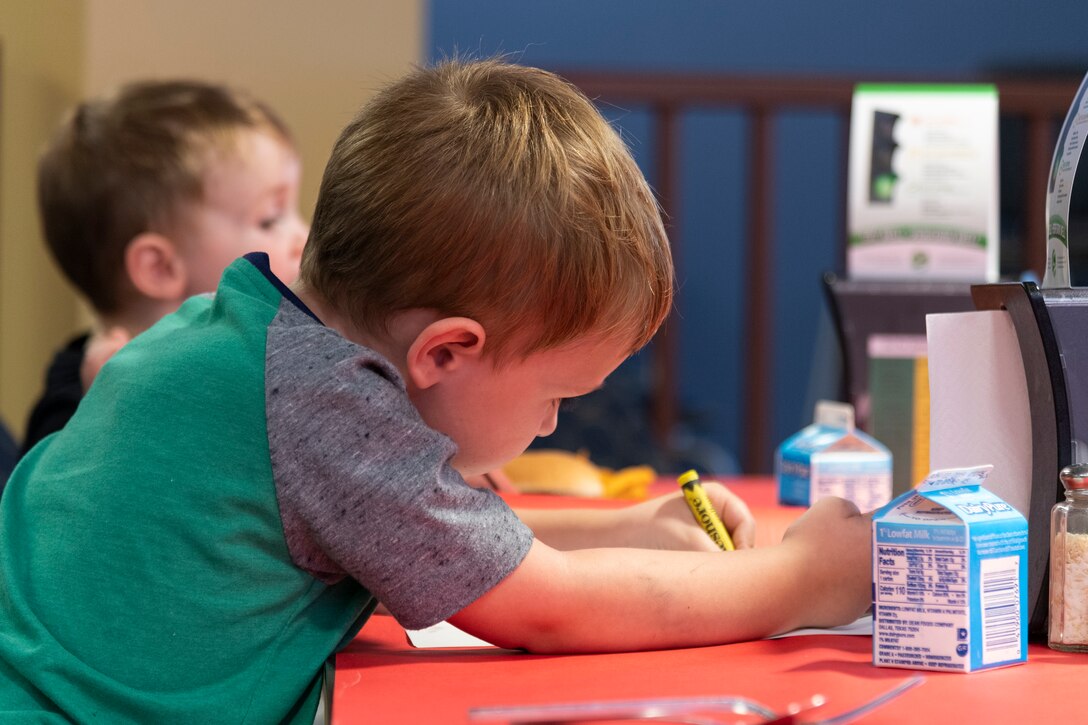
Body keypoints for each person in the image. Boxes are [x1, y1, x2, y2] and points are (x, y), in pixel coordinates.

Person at [0, 59, 871, 723]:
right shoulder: (325, 406)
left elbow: (385, 528)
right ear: (447, 351)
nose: (552, 421)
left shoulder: (240, 324)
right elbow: (551, 611)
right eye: (556, 395)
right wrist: (803, 575)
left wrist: (625, 526)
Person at [18, 79, 308, 456]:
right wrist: (106, 414)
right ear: (159, 268)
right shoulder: (75, 405)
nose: (304, 237)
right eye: (270, 219)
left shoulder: (278, 355)